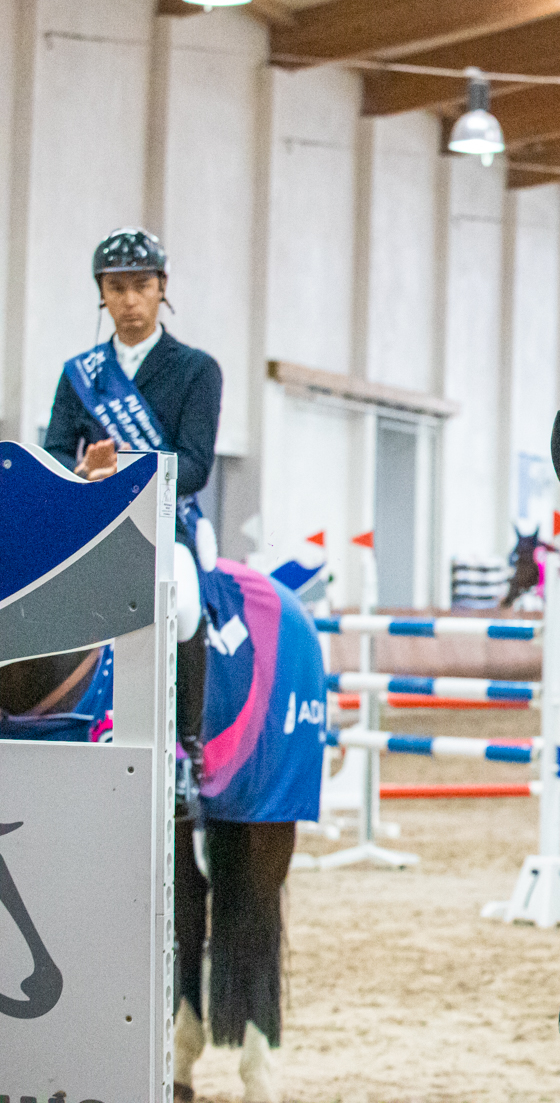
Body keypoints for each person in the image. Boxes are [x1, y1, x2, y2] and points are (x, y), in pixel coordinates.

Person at [41, 226, 224, 1100]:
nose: (126, 298)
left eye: (139, 284)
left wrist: (133, 462)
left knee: (184, 595)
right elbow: (52, 447)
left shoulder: (196, 369)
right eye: (113, 286)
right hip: (96, 521)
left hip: (171, 525)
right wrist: (84, 463)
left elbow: (193, 464)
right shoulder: (81, 374)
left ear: (160, 289)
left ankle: (184, 750)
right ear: (103, 294)